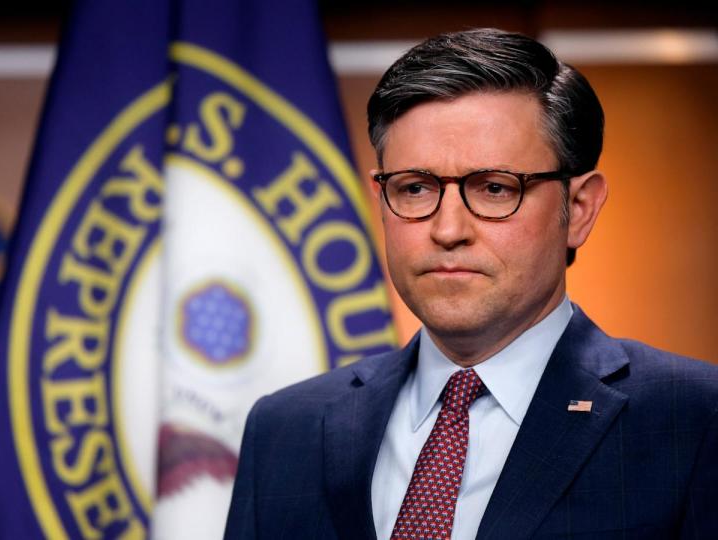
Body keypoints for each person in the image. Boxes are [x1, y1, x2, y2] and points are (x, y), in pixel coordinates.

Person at [223, 28, 718, 539]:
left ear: (580, 208)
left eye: (495, 188)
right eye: (415, 188)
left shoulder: (695, 420)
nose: (449, 230)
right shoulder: (285, 429)